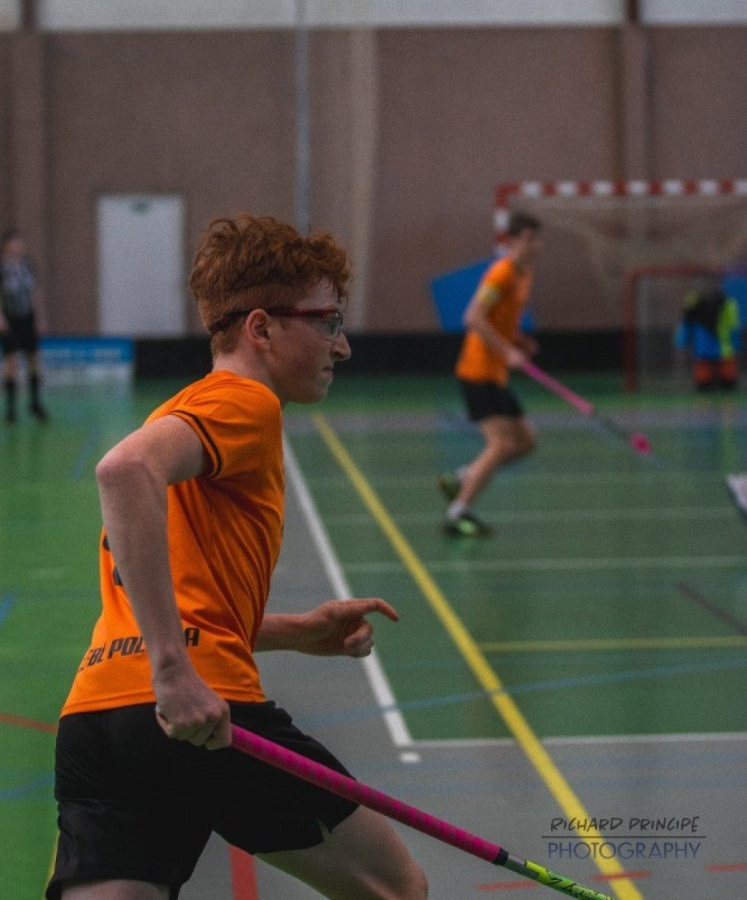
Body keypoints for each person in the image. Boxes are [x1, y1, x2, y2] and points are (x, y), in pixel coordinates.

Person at [46, 214, 427, 900]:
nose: (340, 345)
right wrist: (173, 670)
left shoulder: (181, 410)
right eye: (327, 321)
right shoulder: (245, 402)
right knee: (395, 889)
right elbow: (123, 471)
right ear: (261, 328)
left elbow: (180, 596)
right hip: (196, 705)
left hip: (97, 719)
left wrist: (294, 631)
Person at [438, 211, 542, 537]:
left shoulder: (525, 274)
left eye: (537, 239)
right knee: (500, 444)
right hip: (478, 371)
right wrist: (507, 351)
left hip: (497, 374)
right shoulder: (501, 274)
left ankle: (462, 478)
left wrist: (518, 341)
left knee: (526, 442)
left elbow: (501, 319)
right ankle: (458, 513)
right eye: (528, 239)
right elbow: (474, 317)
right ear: (512, 241)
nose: (535, 246)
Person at [0, 228, 49, 424]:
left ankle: (35, 404)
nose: (17, 246)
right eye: (14, 243)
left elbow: (35, 292)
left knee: (33, 359)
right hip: (10, 319)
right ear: (6, 245)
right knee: (11, 362)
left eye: (19, 243)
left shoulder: (27, 265)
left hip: (27, 318)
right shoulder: (2, 267)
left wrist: (39, 317)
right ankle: (11, 409)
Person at [674, 282, 741, 391]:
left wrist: (681, 340)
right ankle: (714, 384)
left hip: (718, 345)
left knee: (724, 376)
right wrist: (682, 340)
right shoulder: (694, 302)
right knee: (708, 376)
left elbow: (733, 326)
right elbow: (687, 323)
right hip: (713, 345)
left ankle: (721, 383)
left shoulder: (727, 303)